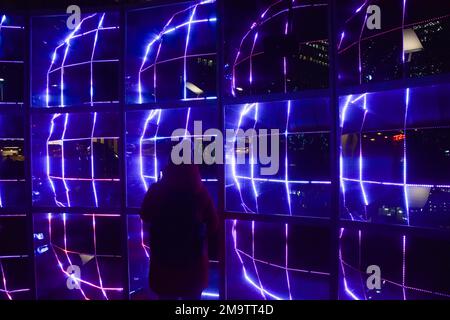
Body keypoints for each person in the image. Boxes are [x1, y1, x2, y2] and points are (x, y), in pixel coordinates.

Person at [140, 162, 218, 300]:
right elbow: (213, 223)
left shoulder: (157, 191)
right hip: (192, 263)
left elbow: (145, 214)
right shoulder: (199, 192)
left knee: (166, 295)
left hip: (164, 260)